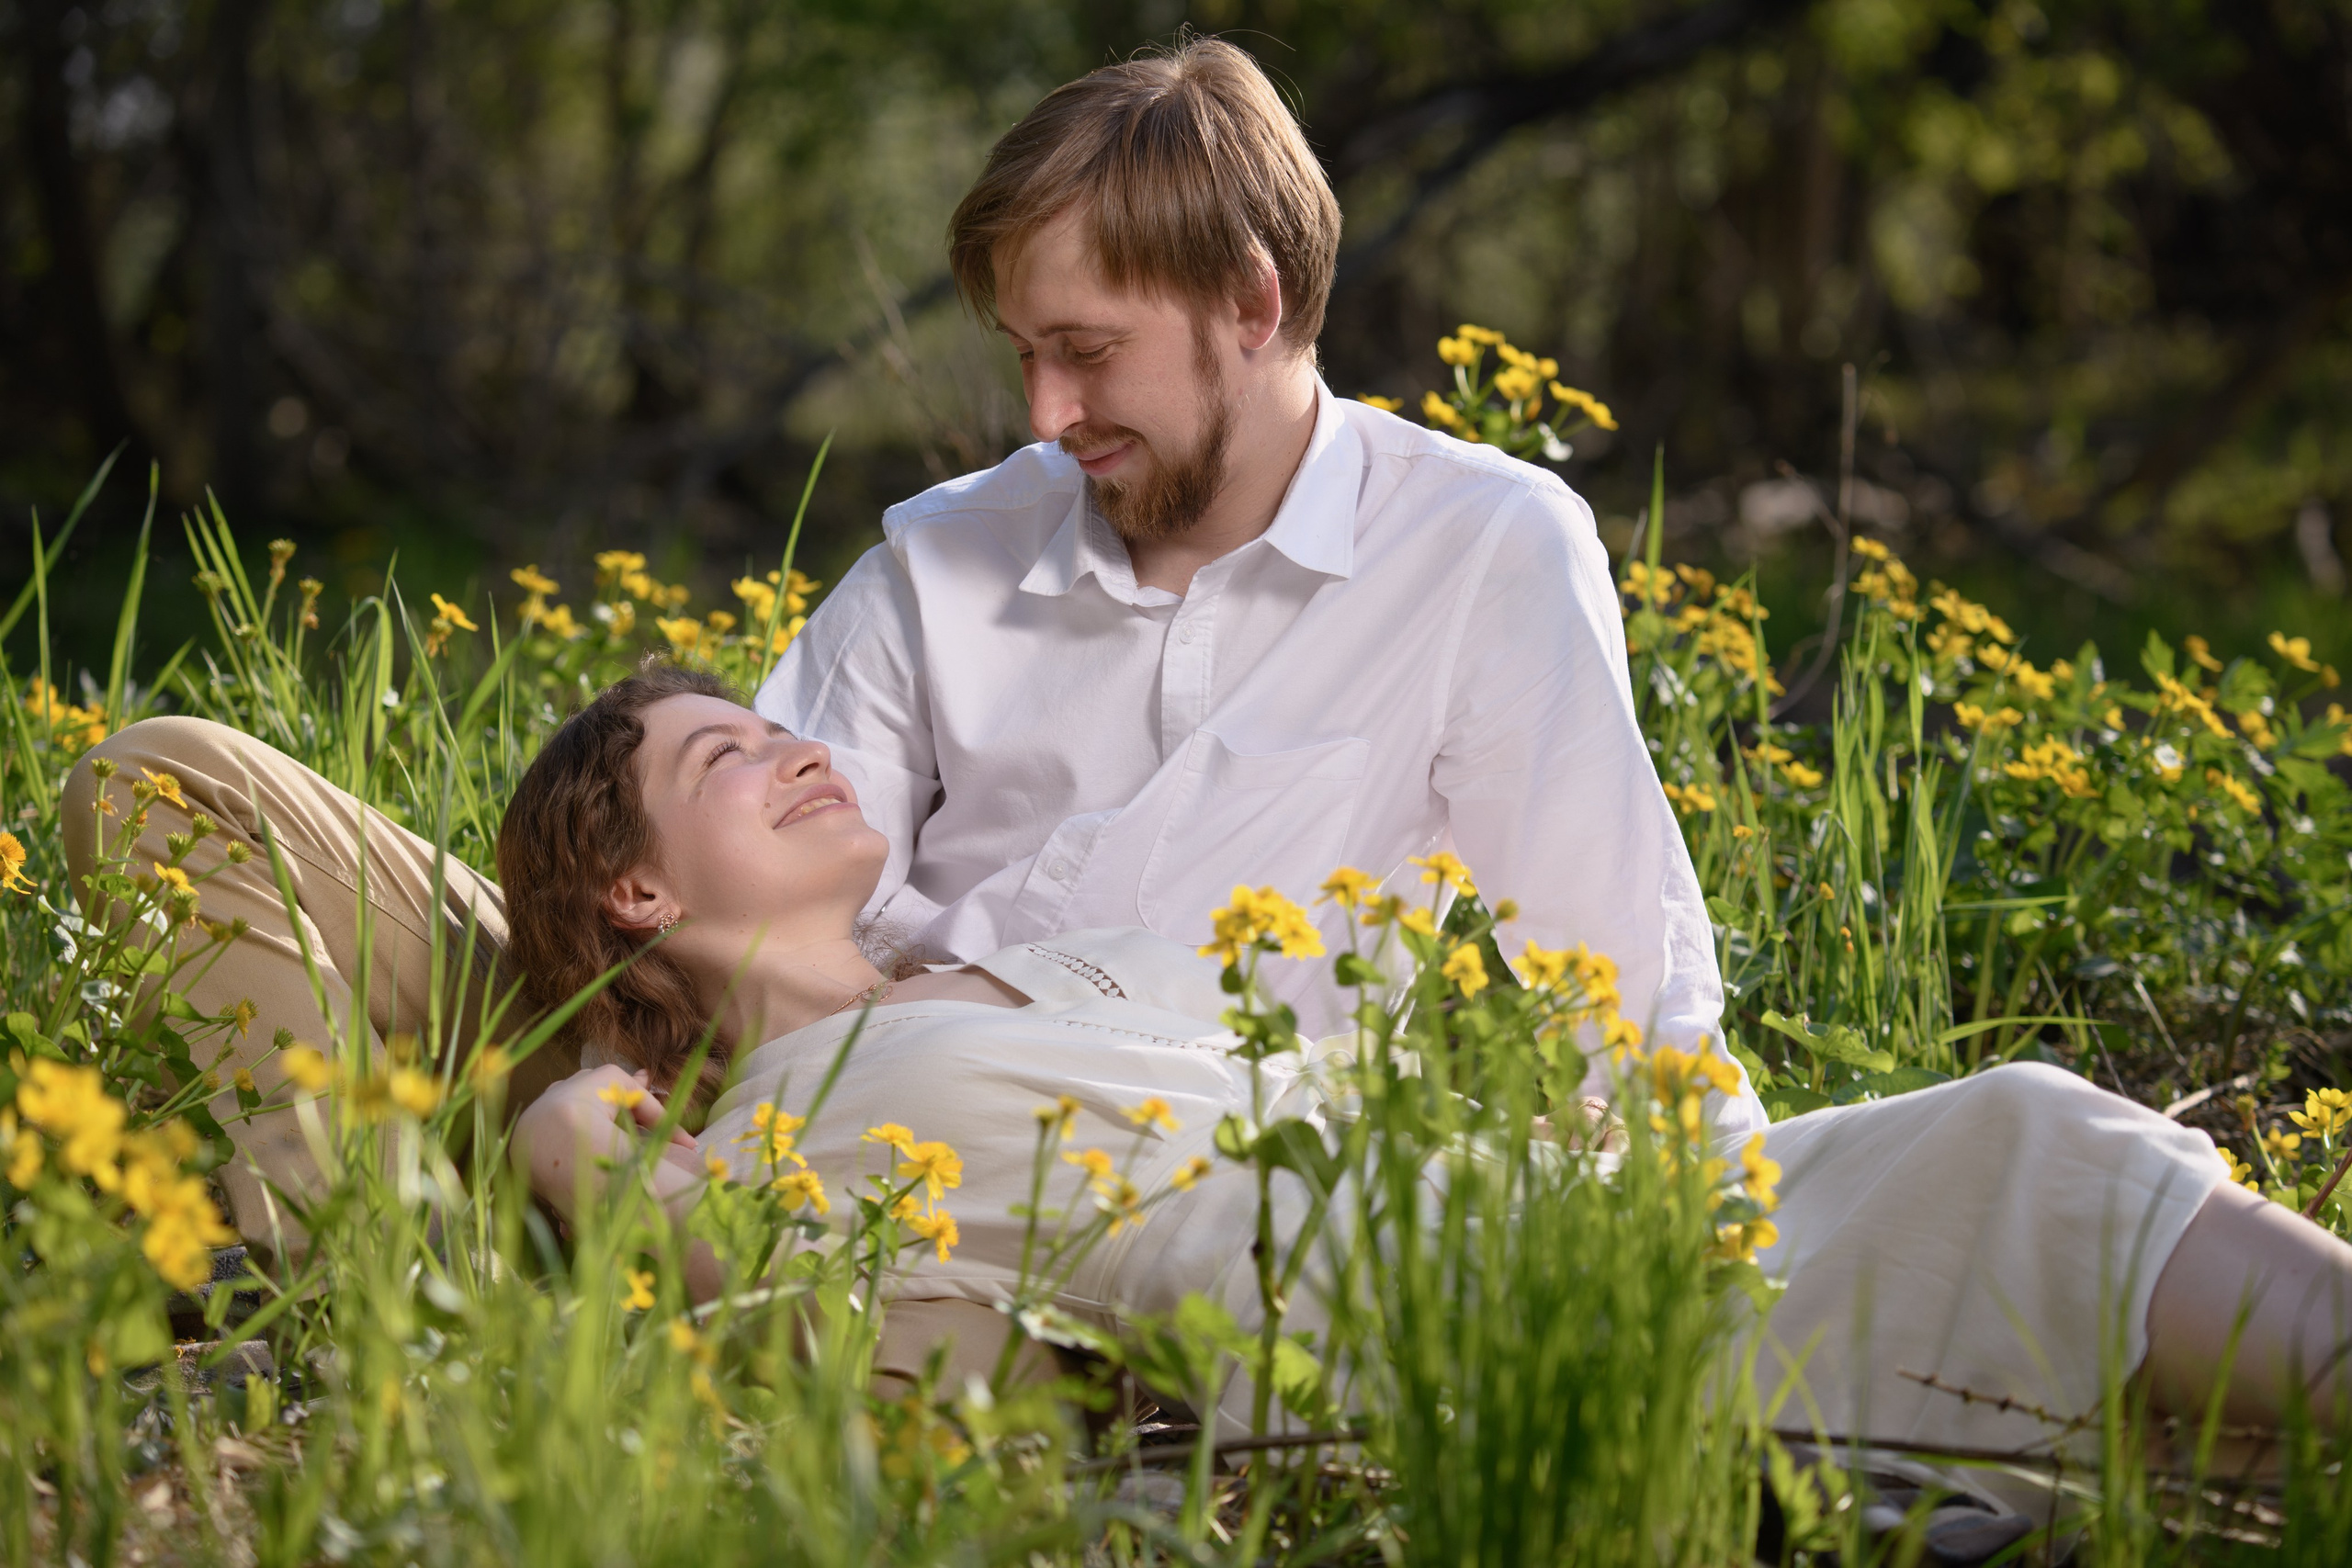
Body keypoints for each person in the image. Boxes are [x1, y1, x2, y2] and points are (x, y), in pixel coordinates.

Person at [499, 671, 2352, 1493]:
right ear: (639, 887)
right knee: (2015, 1144)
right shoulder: (765, 1134)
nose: (798, 750)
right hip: (1415, 1321)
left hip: (1541, 1218)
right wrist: (577, 1124)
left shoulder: (1077, 955)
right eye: (730, 753)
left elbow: (1385, 1076)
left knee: (2010, 1145)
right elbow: (858, 1346)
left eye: (784, 726)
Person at [752, 39, 1759, 1145]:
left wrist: (1696, 1211)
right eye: (1025, 353)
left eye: (1086, 350)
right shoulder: (940, 557)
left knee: (1982, 1135)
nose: (1044, 415)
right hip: (918, 1137)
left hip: (1256, 1178)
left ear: (1249, 298)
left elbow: (1625, 980)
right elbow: (738, 892)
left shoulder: (1476, 549)